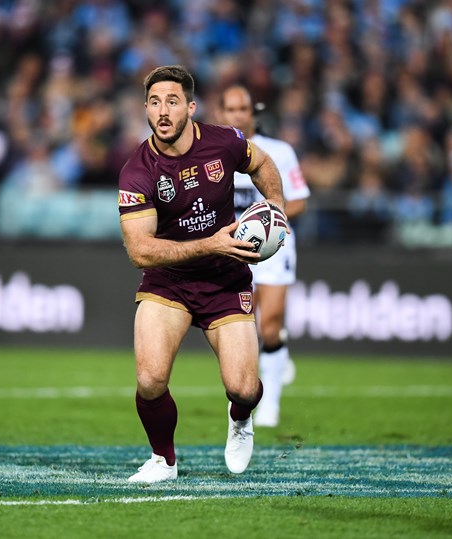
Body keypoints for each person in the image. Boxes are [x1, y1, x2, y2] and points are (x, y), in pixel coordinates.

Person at [118, 65, 286, 483]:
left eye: (172, 102)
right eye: (155, 102)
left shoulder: (224, 141)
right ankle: (163, 460)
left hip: (225, 280)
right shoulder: (137, 170)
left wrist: (277, 202)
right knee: (150, 378)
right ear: (145, 109)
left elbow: (262, 163)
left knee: (244, 389)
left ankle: (241, 418)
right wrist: (208, 243)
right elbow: (140, 250)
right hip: (168, 281)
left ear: (190, 107)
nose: (163, 111)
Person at [218, 85, 310, 427]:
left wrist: (270, 217)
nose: (237, 115)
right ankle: (254, 391)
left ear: (252, 112)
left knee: (269, 326)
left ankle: (270, 399)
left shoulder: (279, 151)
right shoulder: (214, 151)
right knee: (242, 323)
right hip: (232, 248)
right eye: (230, 109)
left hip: (272, 247)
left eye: (243, 108)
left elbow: (299, 199)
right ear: (221, 113)